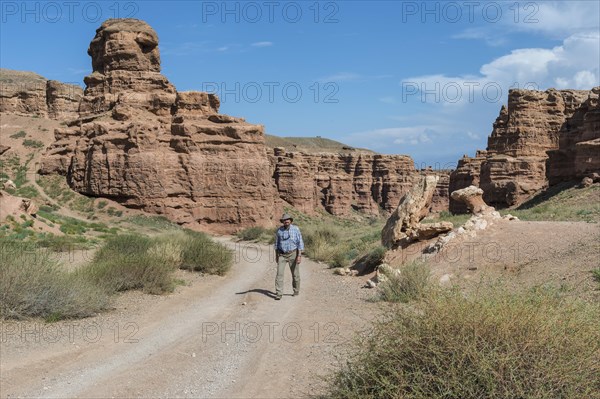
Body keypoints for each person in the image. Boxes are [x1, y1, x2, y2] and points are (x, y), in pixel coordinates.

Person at [273, 213, 304, 300]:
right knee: (279, 274)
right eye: (284, 220)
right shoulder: (279, 231)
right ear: (282, 221)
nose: (286, 221)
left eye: (288, 219)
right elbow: (276, 244)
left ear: (290, 220)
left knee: (295, 274)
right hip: (282, 255)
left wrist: (299, 256)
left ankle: (296, 291)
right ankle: (279, 293)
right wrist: (276, 256)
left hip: (293, 254)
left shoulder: (296, 229)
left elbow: (300, 243)